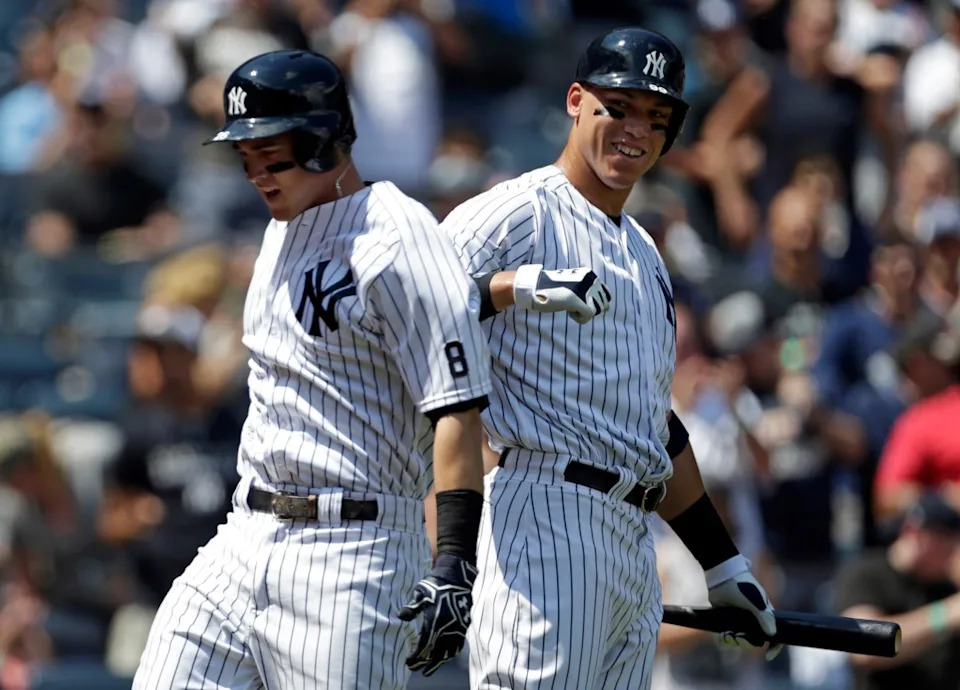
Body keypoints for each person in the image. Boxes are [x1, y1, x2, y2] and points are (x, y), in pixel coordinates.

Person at [132, 49, 513, 690]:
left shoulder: (396, 233)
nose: (255, 173)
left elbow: (457, 409)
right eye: (245, 157)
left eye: (270, 155)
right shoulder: (281, 228)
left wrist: (453, 564)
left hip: (350, 551)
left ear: (321, 142)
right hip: (243, 533)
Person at [439, 27, 778, 689]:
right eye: (617, 108)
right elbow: (402, 312)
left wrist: (722, 563)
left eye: (655, 117)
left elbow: (656, 427)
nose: (635, 131)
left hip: (633, 539)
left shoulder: (646, 254)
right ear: (575, 101)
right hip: (545, 512)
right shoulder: (516, 212)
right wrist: (513, 286)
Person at [833, 491, 960, 690]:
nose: (952, 552)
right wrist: (944, 615)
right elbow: (862, 646)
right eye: (946, 542)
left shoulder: (947, 582)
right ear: (913, 533)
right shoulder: (867, 573)